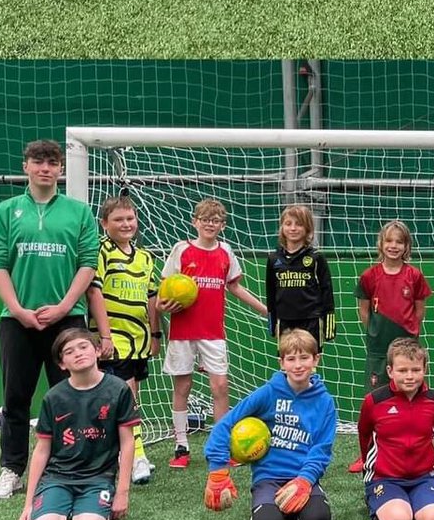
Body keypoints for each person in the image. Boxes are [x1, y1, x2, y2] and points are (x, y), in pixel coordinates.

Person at [0, 140, 100, 501]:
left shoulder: (79, 212)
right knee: (15, 397)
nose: (45, 168)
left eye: (52, 162)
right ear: (26, 167)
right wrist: (18, 310)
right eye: (39, 162)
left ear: (61, 169)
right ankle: (12, 470)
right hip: (16, 320)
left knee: (72, 396)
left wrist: (66, 306)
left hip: (67, 320)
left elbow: (87, 263)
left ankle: (75, 466)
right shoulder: (5, 211)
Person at [158, 197, 268, 469]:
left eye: (216, 220)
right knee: (183, 386)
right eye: (205, 219)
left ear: (222, 225)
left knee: (220, 387)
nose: (210, 224)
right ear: (195, 222)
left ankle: (219, 446)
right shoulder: (181, 250)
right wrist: (161, 305)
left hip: (213, 333)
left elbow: (236, 287)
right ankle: (181, 447)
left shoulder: (225, 252)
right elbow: (164, 289)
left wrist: (265, 309)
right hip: (183, 331)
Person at [203, 328, 336, 520]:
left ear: (315, 360)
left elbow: (322, 448)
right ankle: (273, 509)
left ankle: (297, 505)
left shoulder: (325, 402)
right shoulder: (268, 393)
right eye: (291, 359)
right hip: (268, 478)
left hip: (302, 476)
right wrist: (218, 470)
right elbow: (225, 425)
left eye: (304, 358)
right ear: (282, 363)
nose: (298, 365)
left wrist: (305, 480)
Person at [17, 328, 137, 520]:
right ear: (62, 363)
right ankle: (60, 509)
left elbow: (127, 443)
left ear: (98, 350)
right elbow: (42, 450)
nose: (78, 353)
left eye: (84, 347)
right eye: (69, 351)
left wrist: (122, 492)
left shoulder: (118, 390)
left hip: (98, 478)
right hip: (58, 477)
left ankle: (82, 511)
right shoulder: (54, 397)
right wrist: (28, 504)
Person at [85, 195, 159, 485]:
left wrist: (155, 335)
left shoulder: (145, 257)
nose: (126, 224)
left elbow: (152, 298)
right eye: (118, 219)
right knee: (125, 399)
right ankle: (136, 456)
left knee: (131, 398)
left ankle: (122, 454)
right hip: (114, 341)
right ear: (104, 224)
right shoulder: (100, 252)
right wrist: (104, 336)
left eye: (130, 218)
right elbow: (94, 293)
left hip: (139, 341)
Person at [357, 337, 434, 520]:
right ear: (390, 371)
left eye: (416, 370)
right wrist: (370, 467)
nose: (409, 376)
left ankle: (416, 504)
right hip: (385, 477)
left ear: (425, 369)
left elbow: (430, 431)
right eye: (402, 370)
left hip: (423, 477)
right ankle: (379, 500)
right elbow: (364, 435)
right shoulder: (374, 401)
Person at [355, 220, 432, 396]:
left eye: (399, 242)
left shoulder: (414, 275)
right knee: (377, 394)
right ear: (381, 244)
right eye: (389, 241)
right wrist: (375, 331)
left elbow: (419, 311)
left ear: (406, 246)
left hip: (407, 344)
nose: (393, 246)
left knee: (408, 391)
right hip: (378, 346)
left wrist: (410, 331)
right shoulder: (369, 276)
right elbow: (364, 311)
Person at [265, 205, 336, 350]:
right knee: (287, 364)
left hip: (311, 320)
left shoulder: (316, 258)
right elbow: (270, 293)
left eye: (299, 224)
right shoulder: (274, 259)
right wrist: (272, 322)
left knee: (309, 363)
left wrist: (329, 323)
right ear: (282, 228)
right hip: (284, 321)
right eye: (288, 223)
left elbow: (327, 292)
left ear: (308, 228)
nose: (293, 228)